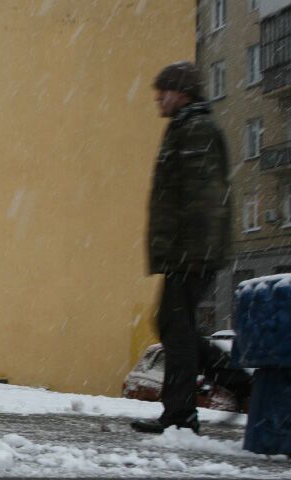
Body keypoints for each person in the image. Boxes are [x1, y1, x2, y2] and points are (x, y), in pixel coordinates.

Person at [131, 62, 232, 435]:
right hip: (187, 251)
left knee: (175, 327)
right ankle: (234, 385)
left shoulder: (195, 130)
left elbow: (204, 197)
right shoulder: (185, 128)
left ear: (183, 93)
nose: (158, 97)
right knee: (175, 326)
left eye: (164, 90)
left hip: (192, 253)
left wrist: (193, 251)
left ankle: (180, 414)